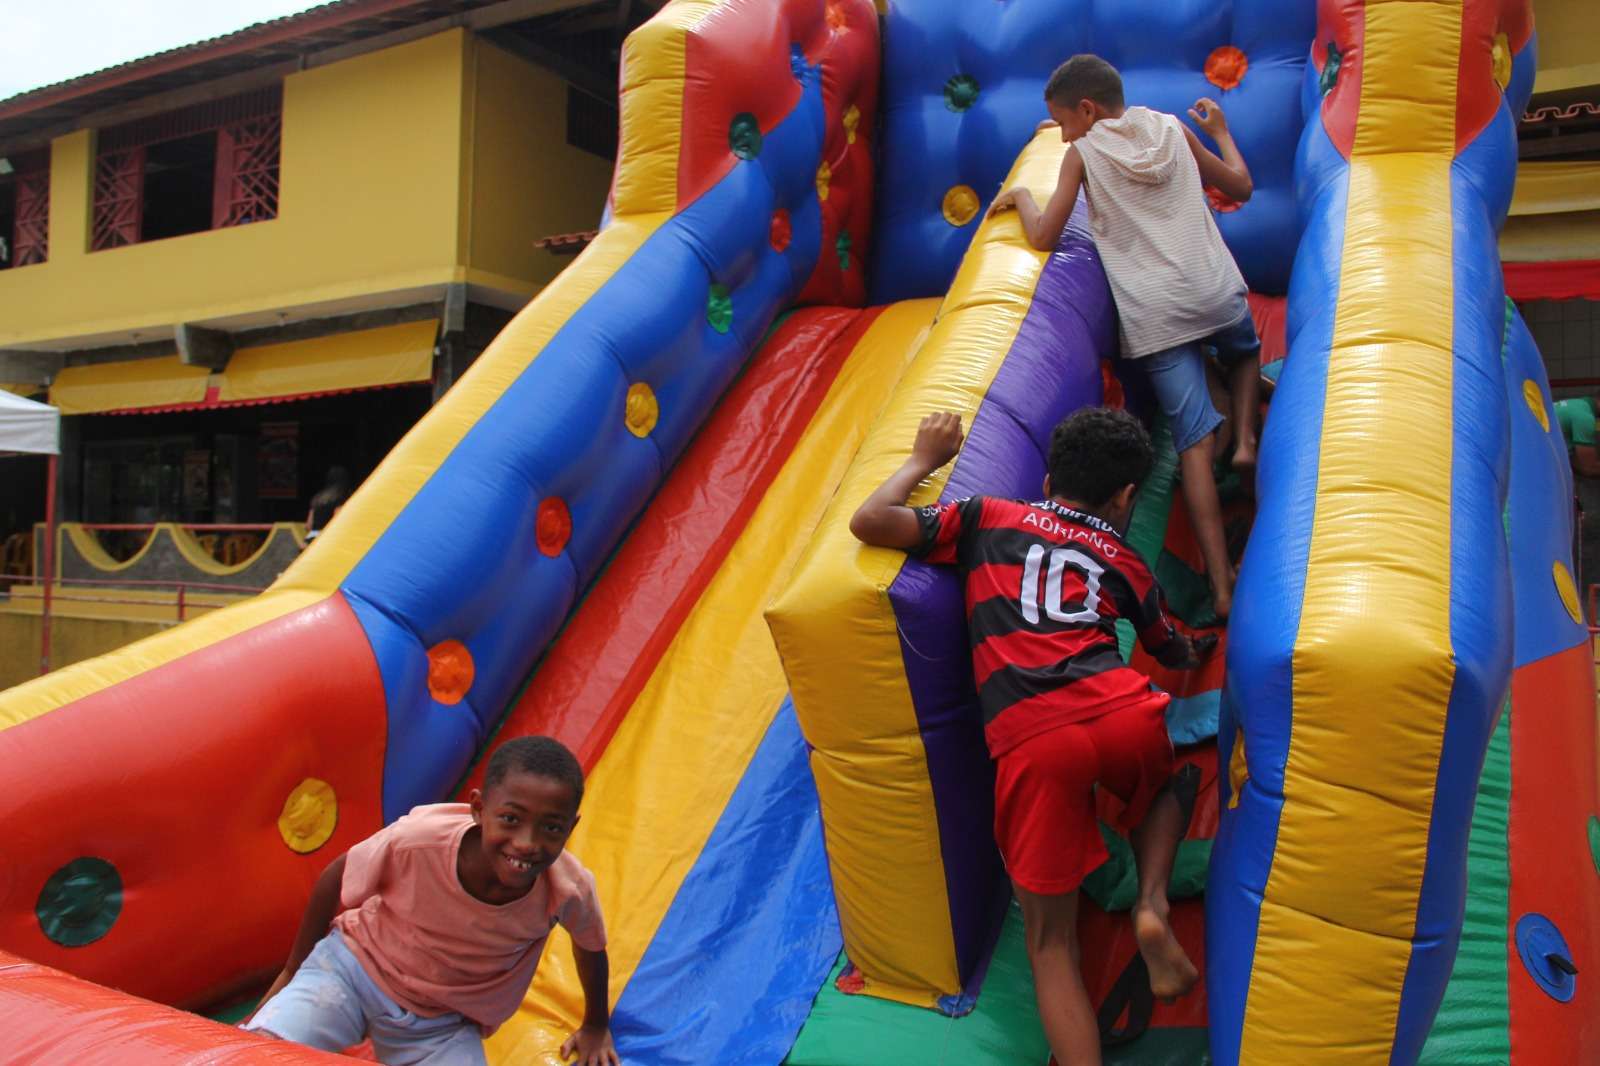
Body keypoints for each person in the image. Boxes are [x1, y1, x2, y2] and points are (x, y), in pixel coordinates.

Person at [850, 408, 1211, 1066]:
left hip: (1033, 734)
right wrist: (1194, 650)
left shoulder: (988, 517)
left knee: (1052, 948)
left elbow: (869, 522)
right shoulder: (1123, 558)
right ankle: (1152, 903)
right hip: (1120, 708)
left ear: (1048, 477)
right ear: (1127, 497)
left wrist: (922, 459)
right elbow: (1168, 646)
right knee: (1167, 786)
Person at [987, 54, 1258, 619]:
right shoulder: (1172, 128)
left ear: (1086, 111)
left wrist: (1023, 197)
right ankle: (1249, 440)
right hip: (1214, 291)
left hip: (1156, 316)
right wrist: (1222, 133)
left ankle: (1223, 588)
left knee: (1192, 445)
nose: (1062, 134)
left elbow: (1044, 236)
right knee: (1245, 351)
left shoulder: (1082, 155)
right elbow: (1240, 185)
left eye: (1062, 122)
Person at [243, 736, 618, 1066]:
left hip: (443, 1021)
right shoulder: (419, 842)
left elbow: (591, 948)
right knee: (261, 1051)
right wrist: (295, 968)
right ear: (478, 809)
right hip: (354, 970)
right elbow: (335, 877)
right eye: (510, 819)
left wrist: (596, 1024)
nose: (526, 843)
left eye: (551, 828)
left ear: (571, 827)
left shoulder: (567, 890)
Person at [1556, 395, 1600, 598]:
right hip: (1548, 481)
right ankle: (1590, 605)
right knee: (1589, 536)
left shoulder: (1574, 405)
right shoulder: (1584, 418)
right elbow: (1588, 467)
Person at [305, 466, 352, 542]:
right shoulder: (341, 497)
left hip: (311, 540)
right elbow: (338, 522)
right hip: (329, 541)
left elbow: (308, 526)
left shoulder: (318, 497)